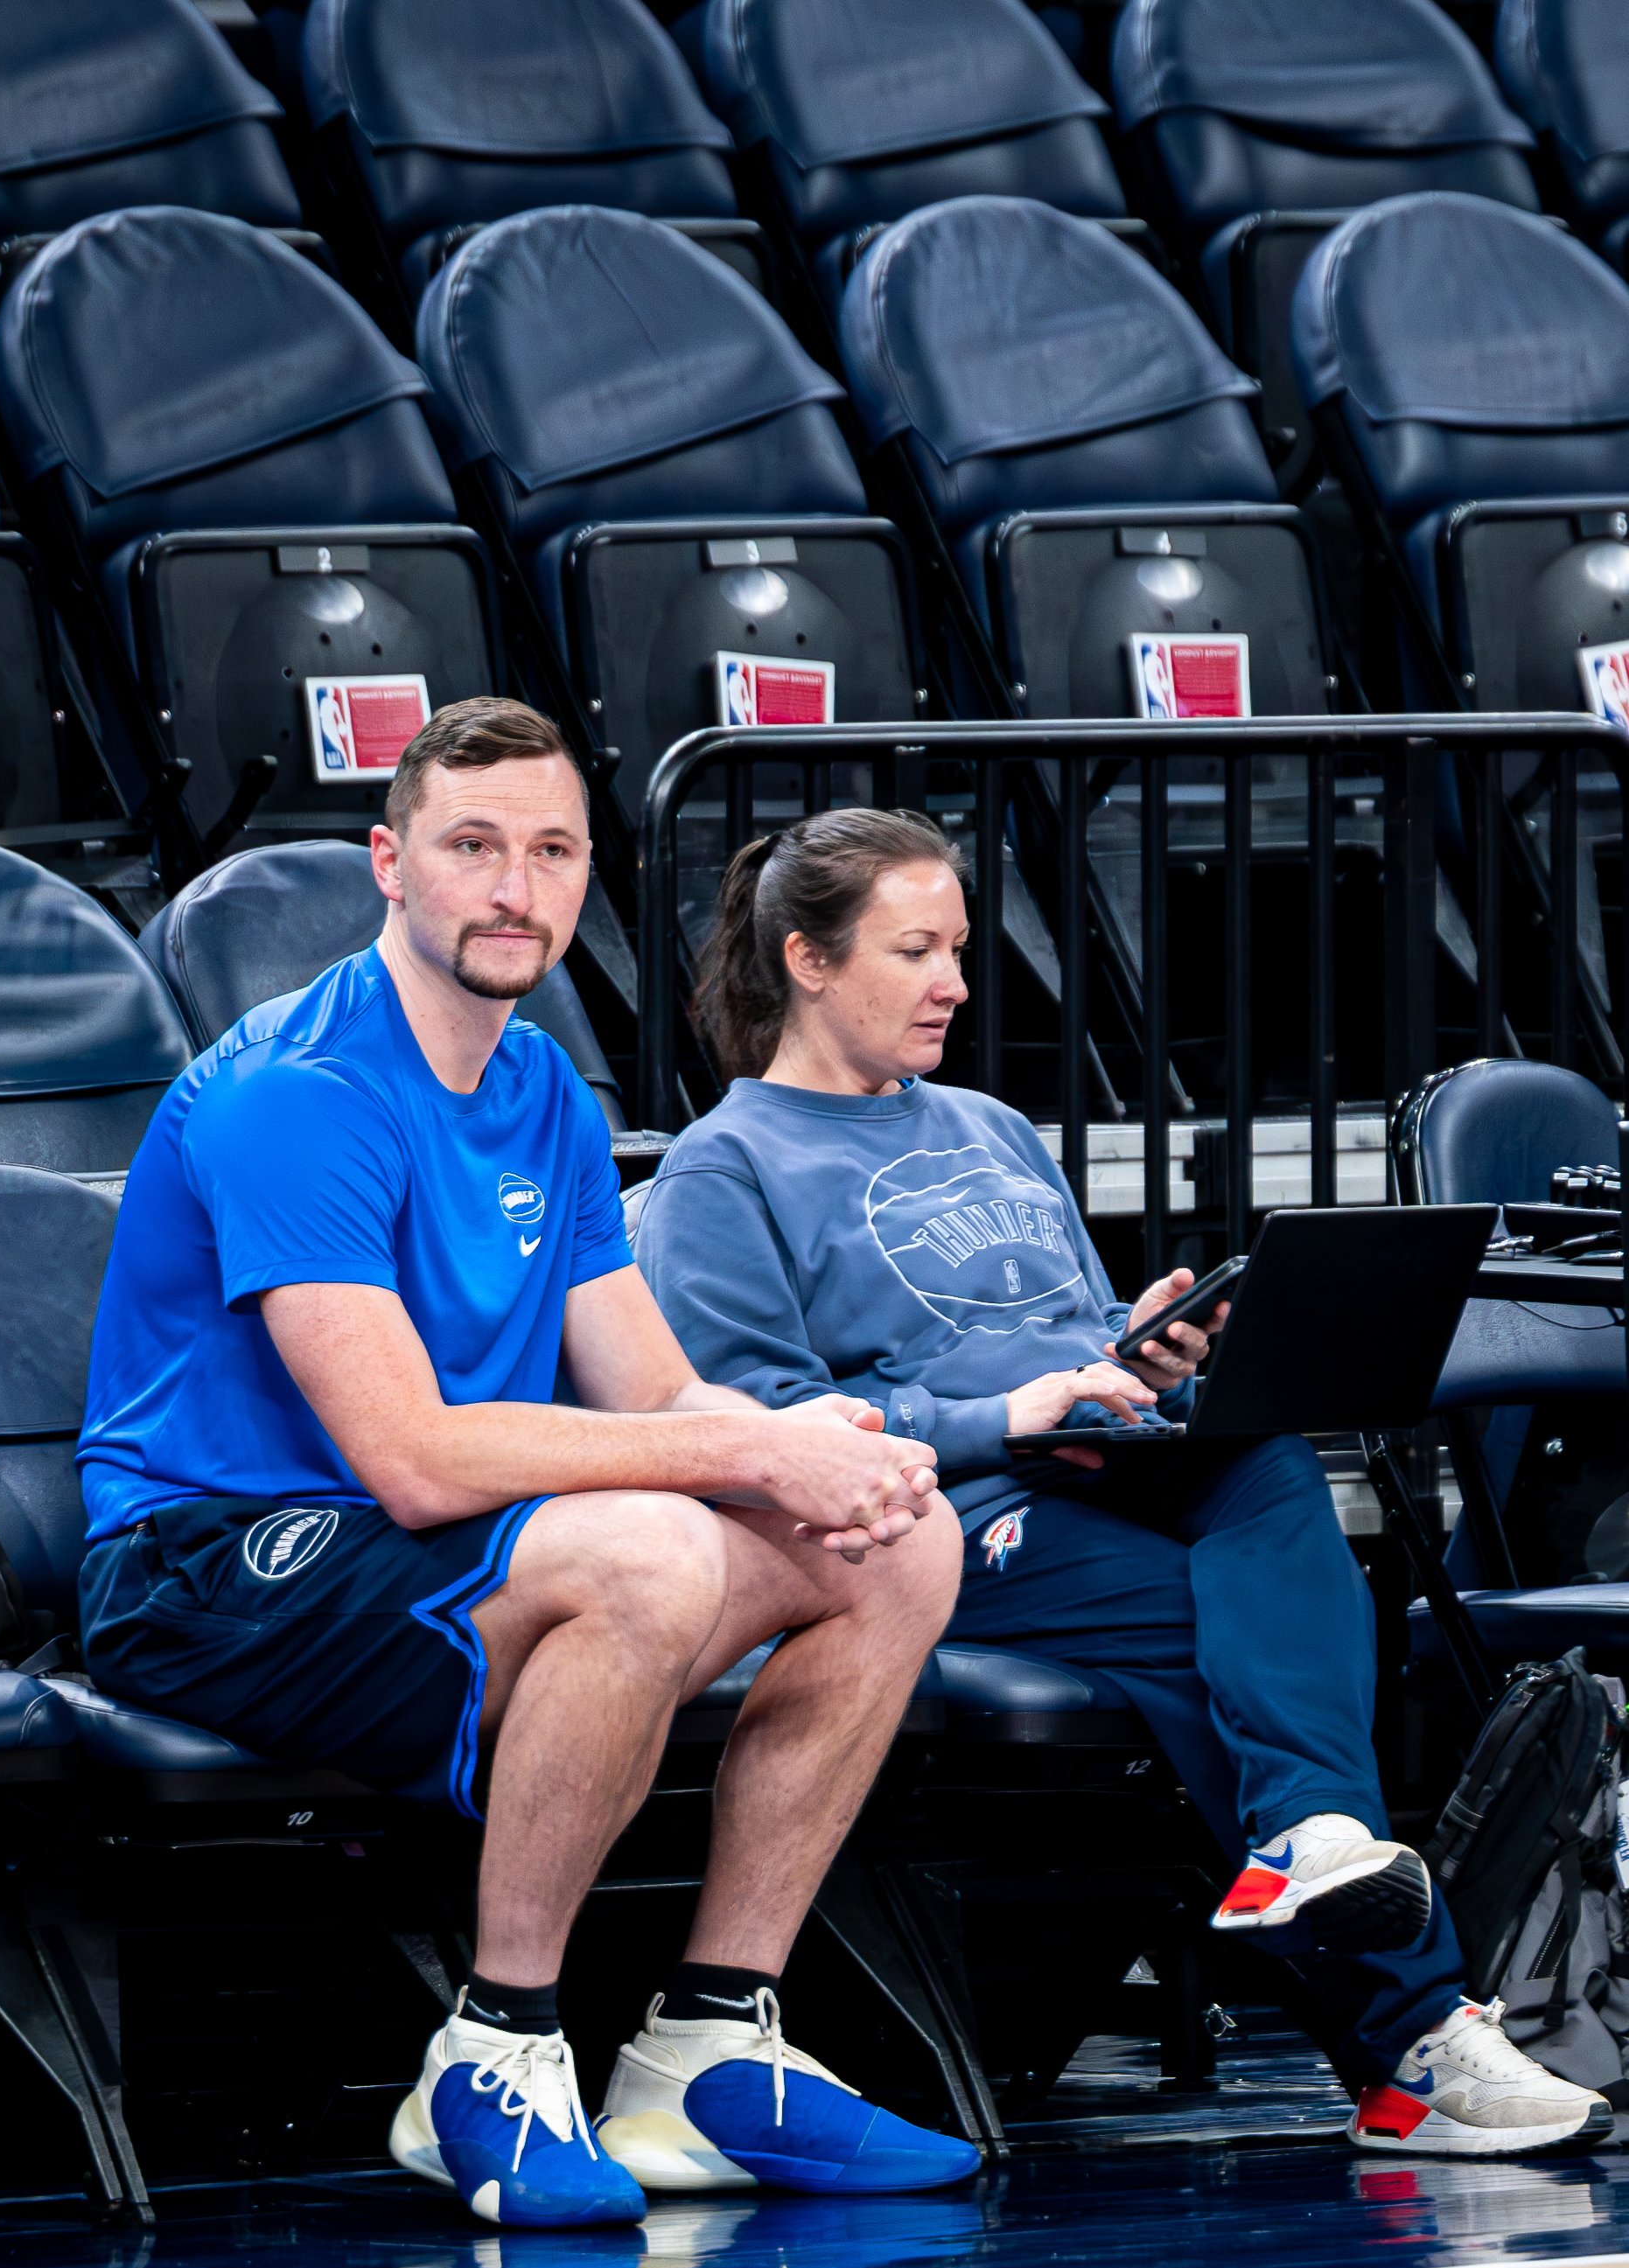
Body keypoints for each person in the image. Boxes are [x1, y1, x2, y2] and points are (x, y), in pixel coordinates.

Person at [75, 705, 975, 2230]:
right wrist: (735, 1450)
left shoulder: (545, 1087)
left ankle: (708, 2041)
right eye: (472, 847)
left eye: (551, 851)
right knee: (652, 1549)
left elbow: (656, 1383)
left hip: (441, 1554)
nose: (515, 888)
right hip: (206, 1564)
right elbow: (415, 1460)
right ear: (391, 865)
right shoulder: (294, 1094)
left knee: (904, 1536)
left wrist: (809, 1448)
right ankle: (494, 2049)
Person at [634, 806, 1612, 2159]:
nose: (957, 983)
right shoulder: (721, 1170)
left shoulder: (989, 1125)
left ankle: (1320, 1845)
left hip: (1107, 1456)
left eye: (961, 948)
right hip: (939, 1519)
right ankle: (1417, 2041)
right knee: (1223, 1628)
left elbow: (1071, 1337)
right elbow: (765, 1434)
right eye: (915, 950)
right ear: (807, 959)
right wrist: (995, 1414)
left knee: (1271, 1460)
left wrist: (1145, 1350)